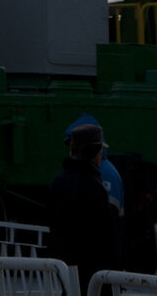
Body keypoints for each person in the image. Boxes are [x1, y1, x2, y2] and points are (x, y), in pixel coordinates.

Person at [49, 119, 124, 295]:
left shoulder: (58, 180)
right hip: (92, 266)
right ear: (93, 151)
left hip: (65, 263)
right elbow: (106, 233)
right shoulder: (93, 185)